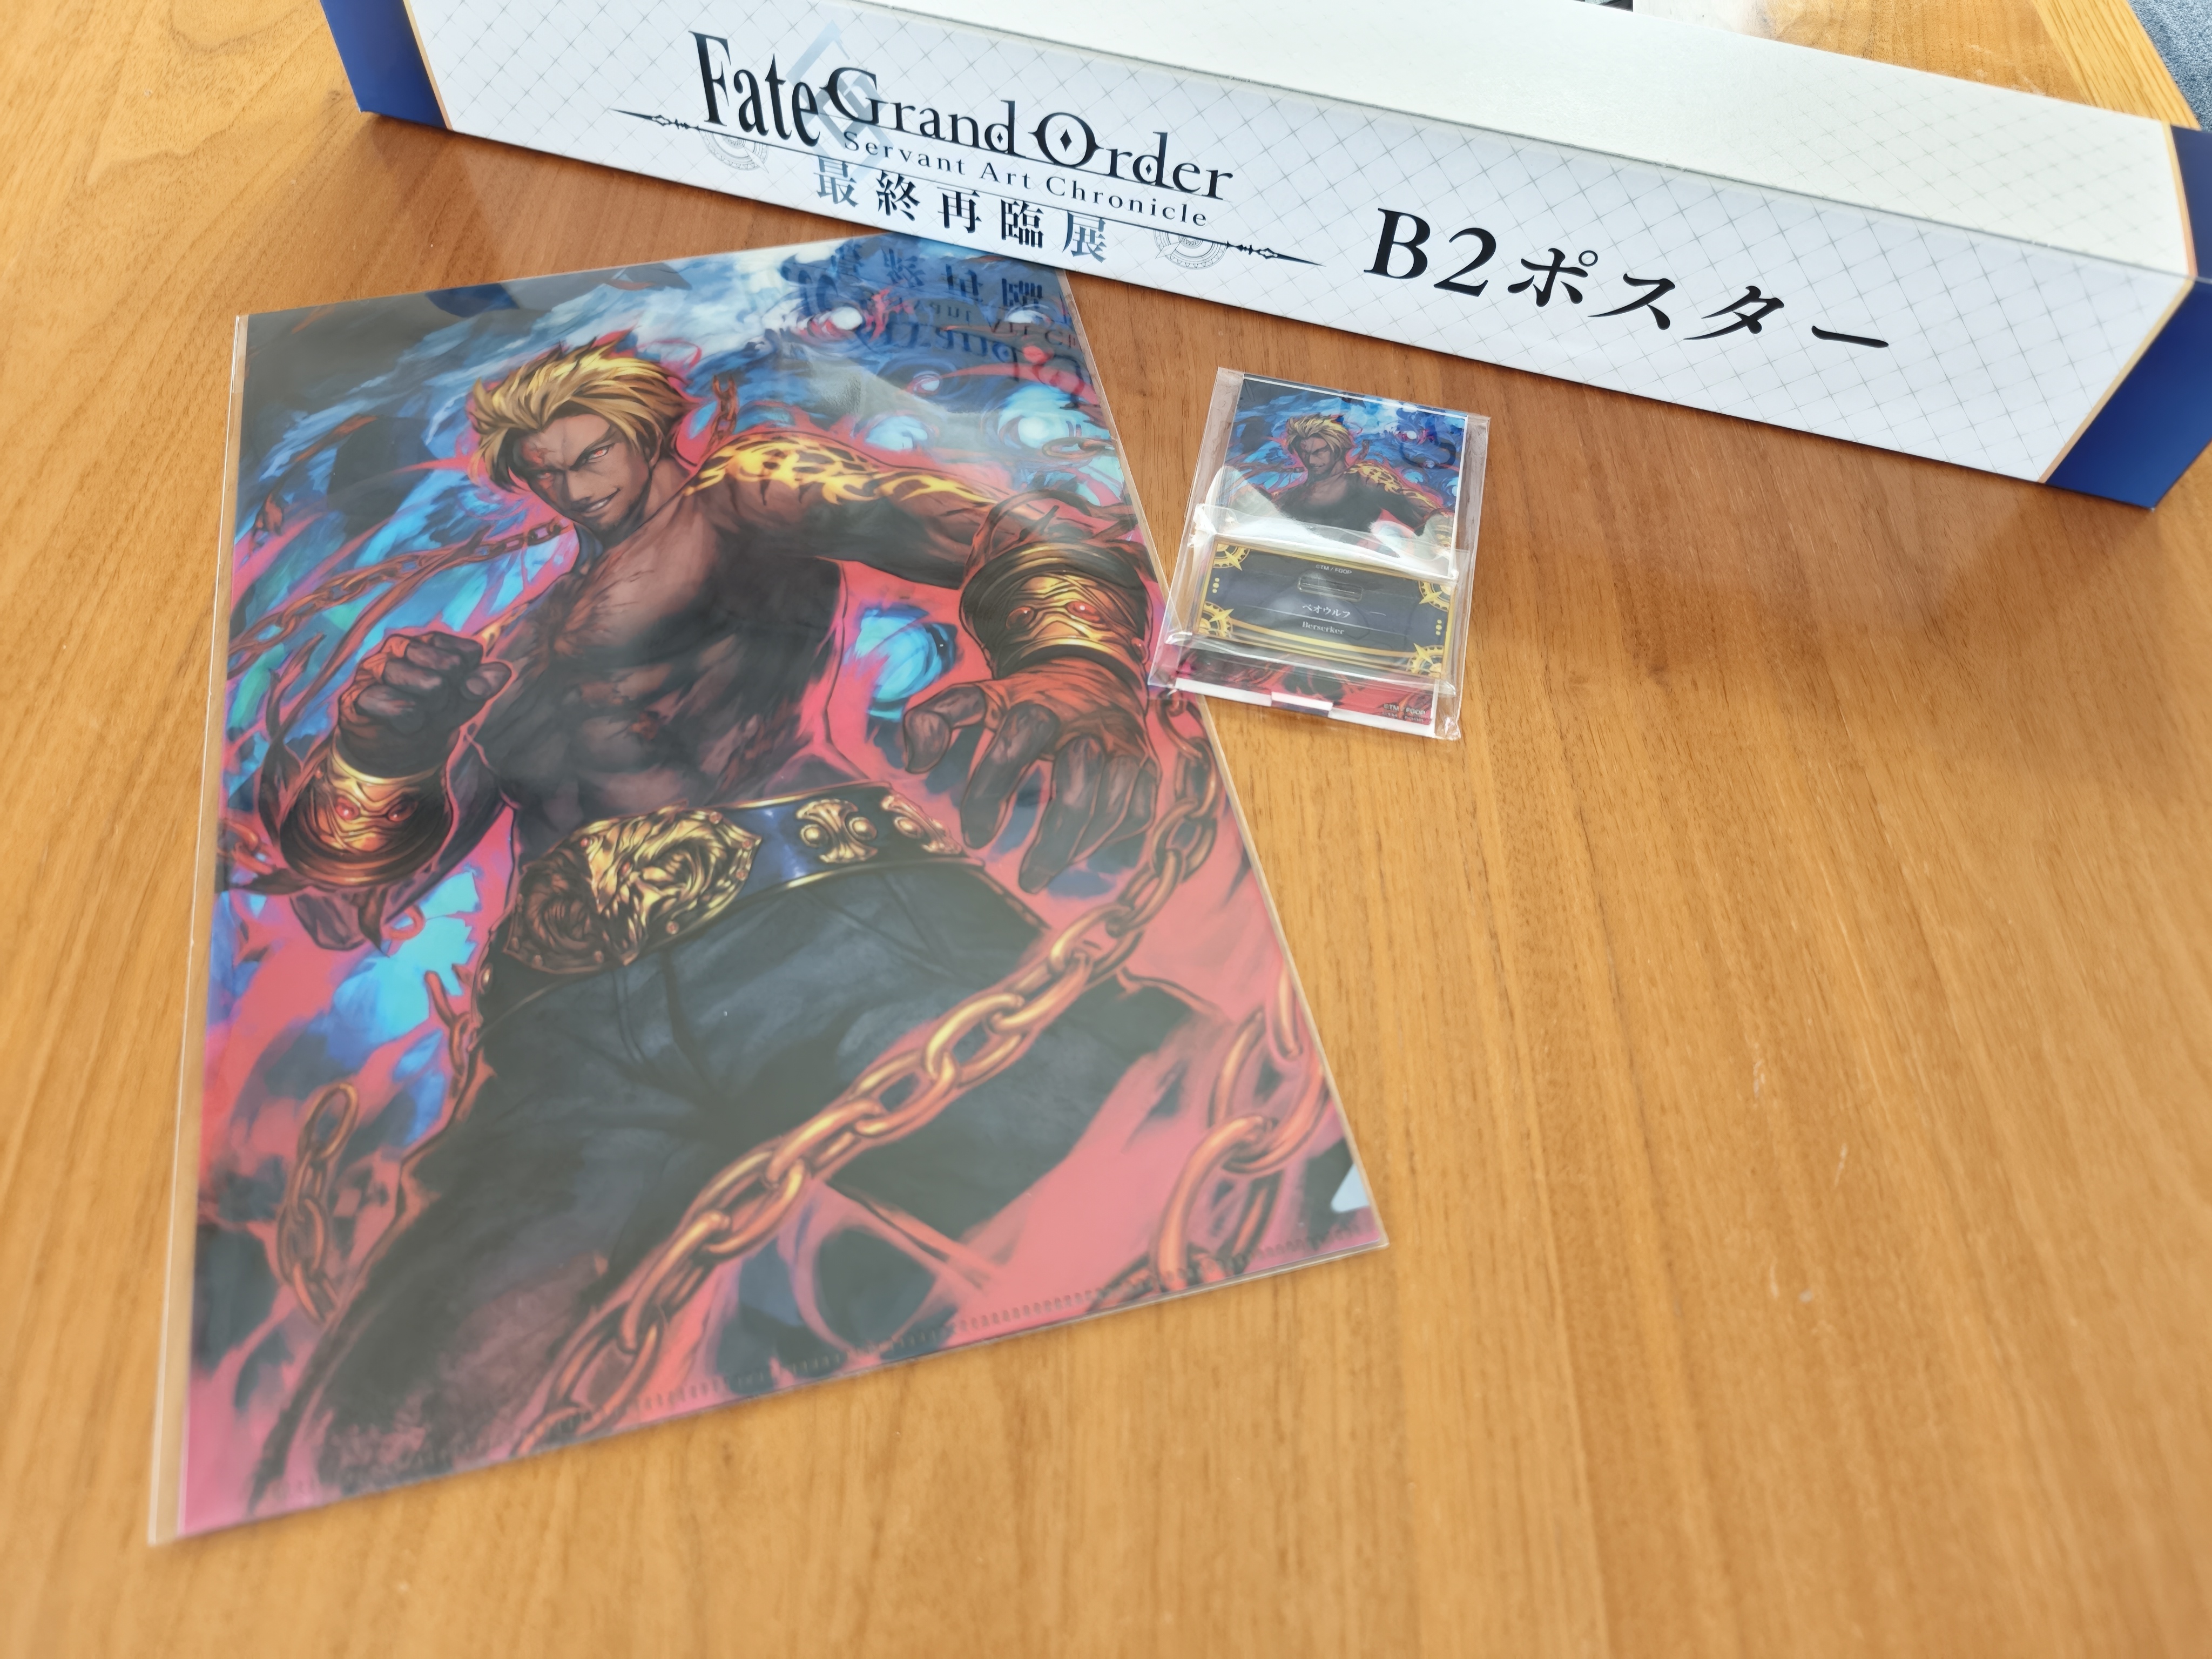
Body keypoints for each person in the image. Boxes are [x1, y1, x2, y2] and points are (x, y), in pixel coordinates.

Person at [251, 339, 1190, 1502]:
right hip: (562, 1037)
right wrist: (381, 750)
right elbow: (355, 874)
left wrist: (1072, 666)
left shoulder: (743, 498)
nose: (572, 487)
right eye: (544, 471)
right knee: (376, 1428)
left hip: (818, 927)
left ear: (647, 434)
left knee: (1170, 1164)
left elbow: (1025, 533)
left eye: (591, 454)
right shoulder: (511, 652)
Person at [1267, 412, 1447, 535]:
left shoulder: (1361, 476)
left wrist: (1441, 536)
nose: (1311, 461)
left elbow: (1422, 511)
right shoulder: (1290, 496)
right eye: (1304, 453)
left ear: (1337, 449)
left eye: (1320, 452)